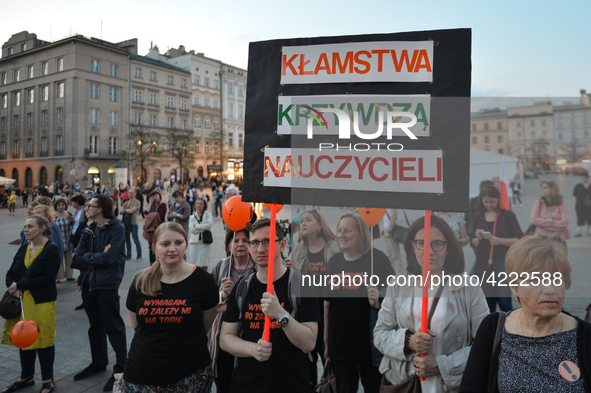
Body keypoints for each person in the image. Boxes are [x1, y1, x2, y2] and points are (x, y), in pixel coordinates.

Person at [460, 236, 591, 393]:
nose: (549, 289)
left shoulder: (585, 336)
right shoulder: (493, 328)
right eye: (536, 280)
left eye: (557, 279)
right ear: (515, 287)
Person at [374, 215, 489, 392]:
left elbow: (485, 344)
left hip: (452, 386)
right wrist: (408, 341)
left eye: (437, 244)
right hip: (406, 384)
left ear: (448, 248)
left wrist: (442, 365)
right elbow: (380, 334)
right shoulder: (398, 285)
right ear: (412, 246)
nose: (429, 251)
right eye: (421, 243)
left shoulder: (469, 287)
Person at [220, 218, 319, 393]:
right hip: (247, 385)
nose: (260, 249)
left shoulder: (301, 285)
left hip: (291, 385)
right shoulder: (242, 287)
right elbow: (226, 338)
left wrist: (281, 315)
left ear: (282, 245)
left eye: (267, 241)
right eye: (255, 242)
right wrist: (252, 349)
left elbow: (309, 343)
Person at [122, 222, 218, 392]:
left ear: (186, 244)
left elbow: (205, 325)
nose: (172, 249)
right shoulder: (140, 281)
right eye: (165, 244)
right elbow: (138, 327)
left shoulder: (204, 281)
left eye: (178, 243)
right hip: (141, 375)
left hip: (190, 375)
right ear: (154, 248)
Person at [324, 213, 395, 393]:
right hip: (340, 348)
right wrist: (326, 342)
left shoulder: (377, 259)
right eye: (340, 230)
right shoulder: (333, 262)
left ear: (361, 233)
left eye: (348, 230)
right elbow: (327, 305)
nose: (342, 235)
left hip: (371, 350)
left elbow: (396, 298)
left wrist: (379, 300)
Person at [71, 194, 127, 392]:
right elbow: (76, 259)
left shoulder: (117, 227)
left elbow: (111, 258)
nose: (87, 208)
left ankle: (121, 368)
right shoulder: (89, 228)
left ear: (100, 208)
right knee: (95, 326)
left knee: (114, 327)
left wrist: (94, 257)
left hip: (106, 285)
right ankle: (99, 362)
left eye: (90, 205)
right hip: (87, 284)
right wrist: (98, 256)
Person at [2, 215, 61, 393]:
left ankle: (47, 379)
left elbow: (49, 278)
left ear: (42, 229)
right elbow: (10, 273)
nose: (25, 230)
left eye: (30, 226)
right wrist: (13, 286)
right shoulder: (23, 248)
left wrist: (20, 285)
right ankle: (26, 376)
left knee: (43, 340)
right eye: (25, 226)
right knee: (23, 338)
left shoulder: (52, 250)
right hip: (22, 302)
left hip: (41, 301)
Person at [285, 209, 339, 388]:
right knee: (306, 361)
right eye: (301, 222)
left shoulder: (334, 246)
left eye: (308, 220)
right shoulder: (297, 249)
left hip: (329, 313)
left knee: (329, 360)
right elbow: (291, 283)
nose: (303, 224)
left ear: (320, 225)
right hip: (306, 314)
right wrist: (289, 270)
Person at [210, 228, 257, 393]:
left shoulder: (259, 268)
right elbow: (207, 301)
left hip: (250, 333)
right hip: (223, 332)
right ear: (229, 244)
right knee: (223, 377)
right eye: (236, 241)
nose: (241, 245)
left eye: (246, 241)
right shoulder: (221, 266)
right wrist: (222, 294)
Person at [470, 186, 523, 313]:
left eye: (492, 202)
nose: (489, 205)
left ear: (498, 199)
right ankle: (491, 326)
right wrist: (478, 237)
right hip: (484, 262)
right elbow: (473, 241)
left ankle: (508, 325)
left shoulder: (507, 215)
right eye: (486, 202)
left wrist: (500, 241)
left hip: (502, 261)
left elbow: (520, 238)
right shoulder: (478, 216)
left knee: (504, 299)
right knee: (487, 299)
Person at [530, 180, 571, 246]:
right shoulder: (538, 203)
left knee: (560, 256)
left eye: (545, 188)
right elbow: (534, 220)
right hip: (541, 239)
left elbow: (565, 223)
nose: (542, 190)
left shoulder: (562, 205)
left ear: (553, 189)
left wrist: (544, 224)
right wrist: (553, 222)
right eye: (542, 188)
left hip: (558, 239)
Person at [53, 198, 75, 282]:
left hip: (68, 239)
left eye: (62, 205)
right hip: (58, 240)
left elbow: (75, 225)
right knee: (59, 259)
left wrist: (72, 220)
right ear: (56, 206)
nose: (61, 207)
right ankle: (59, 276)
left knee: (69, 258)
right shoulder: (54, 216)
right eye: (59, 205)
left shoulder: (70, 214)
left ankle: (69, 275)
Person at [189, 198, 213, 271]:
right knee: (194, 263)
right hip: (194, 243)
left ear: (204, 205)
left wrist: (197, 226)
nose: (199, 205)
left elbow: (209, 225)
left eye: (201, 203)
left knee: (204, 262)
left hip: (205, 242)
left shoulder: (208, 215)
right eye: (198, 203)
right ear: (195, 205)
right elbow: (192, 229)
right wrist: (203, 227)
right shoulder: (192, 217)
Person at [144, 191, 167, 264]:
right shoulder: (150, 205)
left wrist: (151, 215)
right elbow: (146, 212)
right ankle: (152, 263)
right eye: (153, 196)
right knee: (151, 246)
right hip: (151, 228)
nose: (155, 198)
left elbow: (161, 215)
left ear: (160, 196)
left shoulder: (162, 204)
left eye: (156, 196)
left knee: (160, 244)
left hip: (160, 227)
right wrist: (150, 203)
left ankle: (161, 262)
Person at [381, 208, 406, 274]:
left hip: (391, 230)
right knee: (389, 256)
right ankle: (390, 276)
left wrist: (389, 230)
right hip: (388, 229)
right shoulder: (389, 200)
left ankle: (402, 279)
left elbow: (394, 216)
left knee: (396, 257)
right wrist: (385, 229)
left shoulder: (392, 200)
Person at [121, 189, 142, 261]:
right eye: (129, 193)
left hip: (134, 223)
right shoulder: (126, 202)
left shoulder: (137, 202)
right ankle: (129, 255)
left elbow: (132, 211)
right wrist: (127, 210)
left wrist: (126, 210)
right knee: (127, 240)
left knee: (135, 239)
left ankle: (139, 255)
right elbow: (121, 211)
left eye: (132, 193)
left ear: (135, 194)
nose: (130, 194)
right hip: (126, 224)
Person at [573, 170, 591, 237]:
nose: (584, 179)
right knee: (580, 218)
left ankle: (587, 231)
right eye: (582, 177)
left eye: (585, 177)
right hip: (580, 206)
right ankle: (579, 232)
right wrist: (576, 204)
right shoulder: (578, 186)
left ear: (587, 177)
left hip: (589, 206)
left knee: (589, 218)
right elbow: (574, 195)